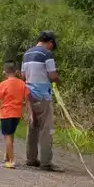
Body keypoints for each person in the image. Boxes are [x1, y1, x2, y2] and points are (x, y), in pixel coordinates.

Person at [21, 31, 60, 171]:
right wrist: (57, 80)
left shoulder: (26, 54)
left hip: (29, 93)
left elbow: (23, 76)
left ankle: (31, 158)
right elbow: (52, 75)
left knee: (32, 126)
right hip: (43, 95)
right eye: (52, 45)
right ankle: (46, 162)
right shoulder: (47, 54)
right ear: (49, 42)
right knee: (46, 128)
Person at [0, 61, 29, 168]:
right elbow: (27, 98)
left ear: (5, 72)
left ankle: (11, 161)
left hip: (7, 113)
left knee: (7, 136)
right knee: (11, 134)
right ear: (16, 71)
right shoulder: (22, 83)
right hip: (17, 114)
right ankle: (7, 157)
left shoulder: (4, 84)